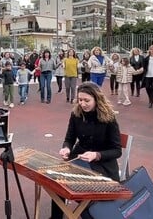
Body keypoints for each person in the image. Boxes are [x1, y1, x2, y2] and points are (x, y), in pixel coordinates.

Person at [51, 81, 122, 219]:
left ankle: (86, 213)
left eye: (86, 100)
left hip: (103, 165)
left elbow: (117, 150)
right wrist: (66, 148)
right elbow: (69, 138)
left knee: (86, 199)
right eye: (80, 100)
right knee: (56, 182)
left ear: (97, 99)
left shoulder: (109, 118)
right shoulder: (76, 114)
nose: (82, 104)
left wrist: (96, 155)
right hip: (80, 159)